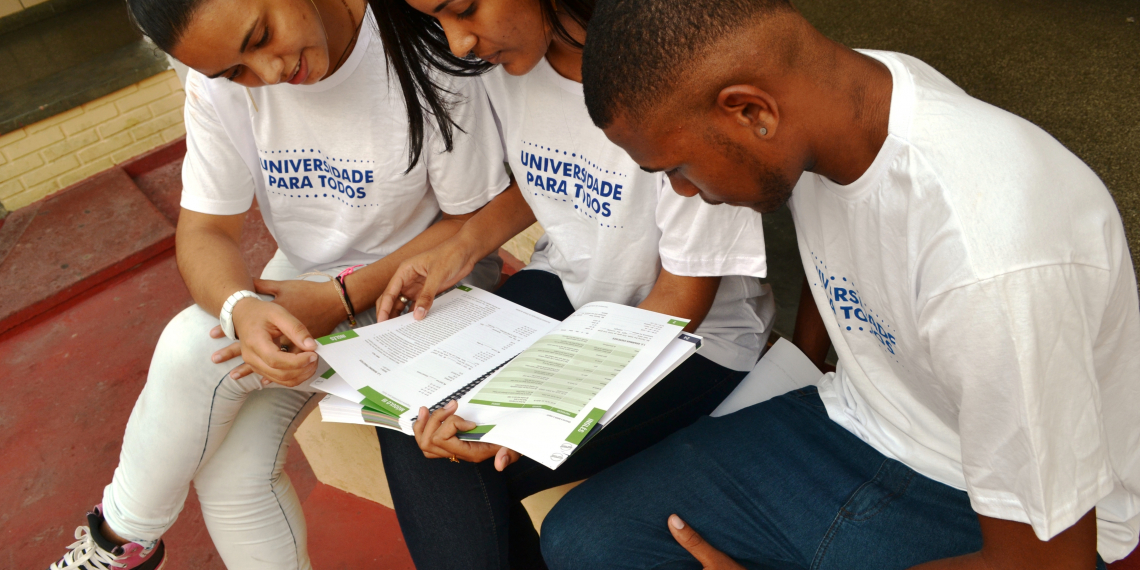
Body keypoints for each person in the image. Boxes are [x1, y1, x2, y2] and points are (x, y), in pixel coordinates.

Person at [537, 0, 1140, 568]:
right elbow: (865, 251)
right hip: (858, 421)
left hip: (1004, 509)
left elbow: (1045, 562)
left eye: (676, 167)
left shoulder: (992, 261)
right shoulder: (841, 100)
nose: (683, 191)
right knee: (585, 539)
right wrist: (807, 358)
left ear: (752, 112)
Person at [47, 0, 509, 568]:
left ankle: (119, 541)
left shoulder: (416, 44)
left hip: (427, 284)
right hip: (310, 280)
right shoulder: (215, 85)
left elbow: (471, 221)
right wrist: (240, 307)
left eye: (262, 36)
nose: (266, 75)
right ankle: (122, 544)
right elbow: (205, 232)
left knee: (191, 344)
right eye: (233, 71)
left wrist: (341, 297)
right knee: (234, 472)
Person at [365, 0, 776, 567]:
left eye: (462, 9)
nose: (459, 42)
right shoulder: (505, 63)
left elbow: (683, 300)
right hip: (569, 287)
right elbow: (544, 175)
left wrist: (541, 408)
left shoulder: (672, 75)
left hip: (693, 338)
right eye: (438, 22)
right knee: (413, 417)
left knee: (471, 459)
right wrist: (457, 248)